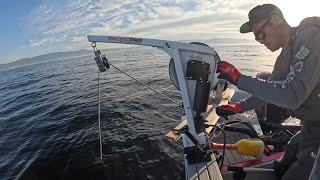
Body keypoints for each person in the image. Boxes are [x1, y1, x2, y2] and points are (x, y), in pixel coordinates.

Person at [215, 3, 320, 180]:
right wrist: (238, 108)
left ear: (276, 20)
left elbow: (292, 95)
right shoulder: (284, 56)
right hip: (312, 124)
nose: (260, 41)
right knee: (287, 159)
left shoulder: (311, 37)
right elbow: (269, 89)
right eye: (257, 38)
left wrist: (239, 78)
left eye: (260, 34)